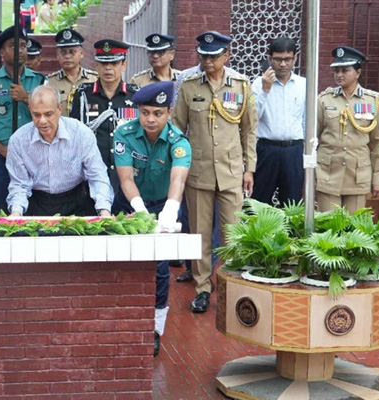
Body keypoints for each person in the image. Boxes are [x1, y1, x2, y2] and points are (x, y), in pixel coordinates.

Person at [171, 31, 256, 313]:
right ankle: (202, 287)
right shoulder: (189, 85)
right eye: (203, 56)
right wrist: (180, 167)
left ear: (226, 56)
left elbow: (249, 131)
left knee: (233, 233)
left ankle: (231, 286)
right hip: (199, 172)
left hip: (232, 171)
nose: (208, 61)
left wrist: (249, 169)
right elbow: (177, 128)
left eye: (214, 56)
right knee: (200, 233)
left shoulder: (241, 86)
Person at [112, 81, 189, 357]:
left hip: (162, 207)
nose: (151, 119)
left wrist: (169, 210)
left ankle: (155, 329)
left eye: (157, 113)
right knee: (122, 263)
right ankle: (120, 322)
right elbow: (125, 178)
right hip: (128, 207)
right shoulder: (124, 134)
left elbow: (178, 179)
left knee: (159, 269)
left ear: (169, 112)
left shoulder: (179, 141)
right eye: (145, 112)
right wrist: (140, 212)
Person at [7, 86, 113, 217]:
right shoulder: (18, 140)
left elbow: (97, 175)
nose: (42, 121)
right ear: (30, 110)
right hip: (37, 202)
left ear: (59, 109)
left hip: (76, 201)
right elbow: (19, 184)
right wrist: (16, 213)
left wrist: (104, 210)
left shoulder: (80, 133)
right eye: (36, 115)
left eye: (48, 114)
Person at [316, 46, 379, 213]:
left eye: (345, 70)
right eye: (337, 70)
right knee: (328, 229)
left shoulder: (373, 101)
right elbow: (312, 138)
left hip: (357, 175)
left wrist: (378, 178)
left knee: (352, 229)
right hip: (328, 173)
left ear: (358, 72)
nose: (339, 75)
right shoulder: (324, 99)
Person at [0, 26, 46, 213]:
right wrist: (1, 149)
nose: (20, 50)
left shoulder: (39, 81)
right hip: (1, 157)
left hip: (34, 155)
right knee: (1, 209)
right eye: (13, 46)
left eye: (24, 46)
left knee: (33, 210)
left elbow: (51, 117)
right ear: (2, 52)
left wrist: (27, 98)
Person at [69, 39, 140, 193]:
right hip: (91, 175)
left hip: (126, 174)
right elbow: (74, 134)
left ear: (124, 65)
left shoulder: (135, 96)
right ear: (96, 65)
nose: (108, 68)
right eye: (103, 64)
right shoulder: (83, 96)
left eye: (114, 64)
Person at [251, 37, 306, 206]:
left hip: (294, 150)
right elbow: (252, 119)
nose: (283, 64)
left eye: (287, 59)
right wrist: (265, 90)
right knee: (260, 203)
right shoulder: (258, 84)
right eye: (278, 59)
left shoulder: (303, 85)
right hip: (267, 149)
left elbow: (307, 120)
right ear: (270, 59)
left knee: (292, 204)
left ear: (294, 59)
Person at [46, 28, 98, 113]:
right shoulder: (49, 82)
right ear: (57, 55)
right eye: (63, 52)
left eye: (72, 52)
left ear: (81, 54)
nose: (67, 56)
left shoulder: (95, 79)